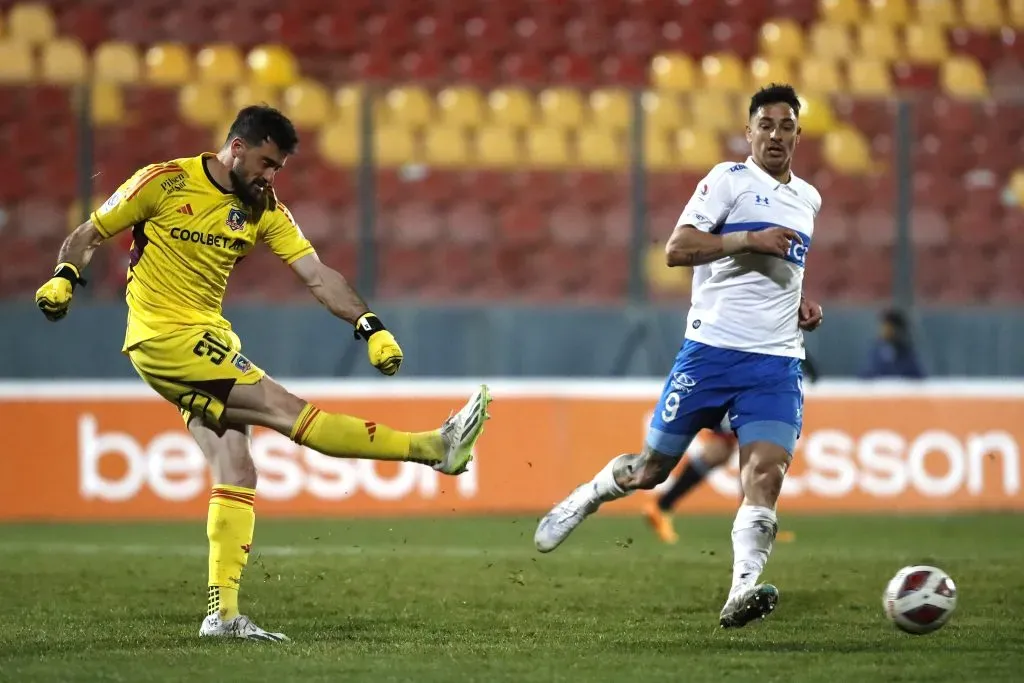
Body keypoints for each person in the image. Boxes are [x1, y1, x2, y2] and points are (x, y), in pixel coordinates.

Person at [34, 105, 492, 642]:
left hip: (207, 337)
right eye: (266, 163)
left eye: (279, 168)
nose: (271, 177)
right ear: (236, 147)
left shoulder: (263, 208)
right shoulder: (163, 182)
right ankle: (434, 449)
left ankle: (222, 617)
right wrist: (65, 276)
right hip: (166, 336)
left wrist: (370, 326)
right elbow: (88, 232)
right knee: (287, 411)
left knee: (237, 470)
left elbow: (317, 275)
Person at [533, 83, 824, 630]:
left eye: (786, 125)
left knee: (765, 474)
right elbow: (676, 250)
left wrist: (801, 300)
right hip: (710, 354)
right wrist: (747, 240)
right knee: (651, 471)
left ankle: (742, 588)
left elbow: (786, 267)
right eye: (765, 124)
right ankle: (588, 495)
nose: (776, 134)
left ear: (798, 135)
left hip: (776, 361)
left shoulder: (808, 199)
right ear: (749, 131)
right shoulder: (727, 182)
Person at [643, 355, 819, 545]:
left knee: (725, 450)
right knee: (744, 446)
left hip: (747, 377)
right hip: (738, 377)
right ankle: (751, 526)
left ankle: (663, 505)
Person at [858, 308, 925, 379]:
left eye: (889, 328)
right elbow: (865, 375)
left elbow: (917, 377)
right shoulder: (875, 352)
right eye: (883, 327)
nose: (884, 331)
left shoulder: (907, 354)